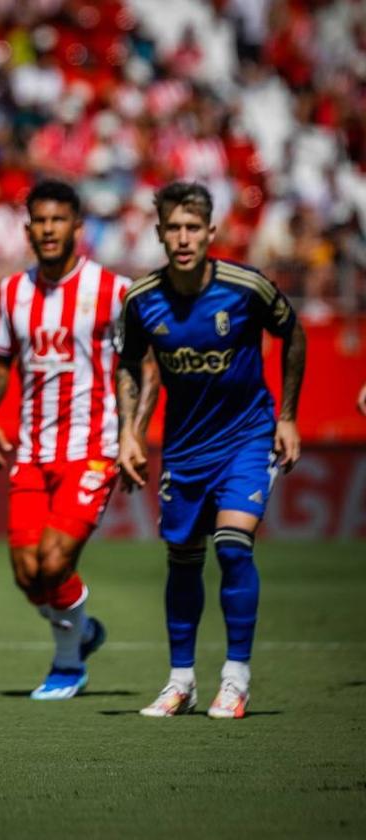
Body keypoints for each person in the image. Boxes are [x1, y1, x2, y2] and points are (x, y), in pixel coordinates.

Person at [116, 181, 306, 719]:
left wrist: (287, 417)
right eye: (173, 228)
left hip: (248, 436)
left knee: (232, 545)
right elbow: (130, 362)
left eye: (192, 228)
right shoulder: (141, 298)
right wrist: (131, 431)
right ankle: (182, 682)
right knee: (182, 559)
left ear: (211, 232)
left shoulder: (246, 288)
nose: (183, 238)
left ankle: (236, 679)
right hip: (184, 448)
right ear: (158, 234)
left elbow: (294, 334)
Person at [0, 179, 139, 700]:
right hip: (32, 448)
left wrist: (133, 431)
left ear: (77, 227)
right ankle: (83, 628)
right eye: (39, 221)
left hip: (93, 447)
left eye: (57, 220)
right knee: (28, 574)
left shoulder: (113, 291)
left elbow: (138, 366)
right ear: (28, 230)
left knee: (54, 561)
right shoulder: (12, 292)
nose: (48, 230)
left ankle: (68, 664)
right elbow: (0, 359)